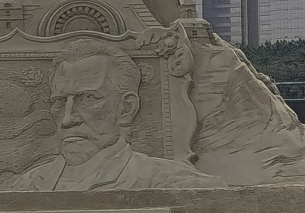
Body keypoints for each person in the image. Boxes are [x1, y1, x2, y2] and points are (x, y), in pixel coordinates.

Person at [12, 39, 225, 191]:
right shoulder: (27, 185)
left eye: (87, 98)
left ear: (126, 109)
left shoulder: (167, 182)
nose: (68, 119)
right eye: (60, 101)